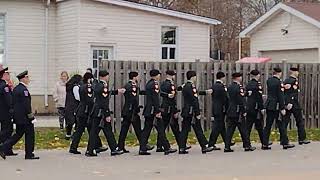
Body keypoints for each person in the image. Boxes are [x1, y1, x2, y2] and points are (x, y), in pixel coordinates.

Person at [0, 70, 39, 160]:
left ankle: (3, 147)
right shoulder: (23, 90)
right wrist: (31, 116)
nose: (28, 79)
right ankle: (29, 154)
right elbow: (26, 105)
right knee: (30, 134)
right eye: (27, 77)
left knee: (18, 134)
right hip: (25, 118)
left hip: (18, 117)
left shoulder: (17, 88)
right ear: (23, 78)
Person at [85, 70, 124, 156]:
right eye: (107, 76)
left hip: (96, 111)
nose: (108, 77)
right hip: (101, 112)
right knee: (96, 132)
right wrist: (107, 114)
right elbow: (104, 101)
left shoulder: (97, 85)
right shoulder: (103, 85)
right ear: (105, 76)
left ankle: (113, 148)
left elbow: (103, 95)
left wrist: (117, 91)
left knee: (106, 131)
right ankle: (91, 150)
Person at [139, 69, 177, 156]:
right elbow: (155, 98)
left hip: (149, 109)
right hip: (153, 109)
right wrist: (157, 110)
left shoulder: (149, 83)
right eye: (159, 75)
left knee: (147, 129)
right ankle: (166, 148)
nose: (160, 76)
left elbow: (158, 94)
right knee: (160, 129)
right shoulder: (155, 84)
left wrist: (167, 95)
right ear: (156, 75)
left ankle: (143, 148)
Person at [179, 71, 214, 154]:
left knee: (185, 129)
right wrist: (197, 112)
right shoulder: (191, 86)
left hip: (186, 110)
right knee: (198, 129)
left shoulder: (185, 86)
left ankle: (182, 147)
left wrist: (204, 92)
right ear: (192, 77)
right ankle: (204, 147)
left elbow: (194, 94)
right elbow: (194, 100)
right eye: (195, 77)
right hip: (192, 111)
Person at [262, 68, 295, 150]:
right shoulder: (279, 82)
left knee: (268, 125)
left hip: (270, 105)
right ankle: (285, 142)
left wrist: (283, 86)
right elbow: (280, 95)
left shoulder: (269, 80)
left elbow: (273, 90)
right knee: (281, 124)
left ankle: (264, 143)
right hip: (276, 106)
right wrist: (282, 107)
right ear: (279, 73)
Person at [224, 72, 256, 153]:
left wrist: (245, 94)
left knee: (230, 130)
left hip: (231, 110)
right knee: (243, 129)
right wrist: (244, 110)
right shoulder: (239, 87)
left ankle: (227, 146)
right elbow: (240, 100)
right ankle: (247, 146)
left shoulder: (230, 87)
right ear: (238, 78)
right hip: (238, 111)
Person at [69, 73, 96, 154]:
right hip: (85, 111)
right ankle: (92, 147)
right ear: (89, 79)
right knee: (90, 130)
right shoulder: (88, 87)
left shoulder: (81, 86)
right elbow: (89, 99)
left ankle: (73, 147)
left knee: (80, 130)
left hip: (81, 110)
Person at [117, 71, 144, 153]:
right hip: (132, 111)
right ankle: (143, 146)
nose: (138, 78)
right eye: (137, 77)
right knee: (138, 130)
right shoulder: (132, 86)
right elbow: (133, 99)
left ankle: (120, 146)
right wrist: (137, 108)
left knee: (124, 130)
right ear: (134, 77)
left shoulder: (126, 85)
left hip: (127, 110)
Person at [283, 67, 310, 145]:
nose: (298, 73)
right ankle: (302, 138)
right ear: (294, 72)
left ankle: (283, 139)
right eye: (297, 72)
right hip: (294, 104)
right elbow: (293, 93)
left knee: (285, 122)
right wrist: (290, 102)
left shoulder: (286, 81)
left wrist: (286, 103)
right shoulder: (294, 81)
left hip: (287, 103)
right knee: (299, 121)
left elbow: (284, 93)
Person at [156, 70, 181, 152]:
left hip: (166, 106)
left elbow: (162, 93)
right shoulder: (170, 84)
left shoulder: (164, 84)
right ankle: (181, 145)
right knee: (173, 127)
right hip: (169, 107)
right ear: (172, 76)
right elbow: (171, 97)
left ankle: (159, 146)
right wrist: (175, 110)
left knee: (163, 127)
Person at [208, 72, 228, 150]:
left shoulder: (214, 86)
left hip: (215, 108)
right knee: (216, 127)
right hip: (220, 108)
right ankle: (211, 143)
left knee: (221, 126)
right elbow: (225, 98)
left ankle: (227, 141)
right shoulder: (221, 86)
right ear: (222, 77)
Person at [0, 67, 17, 156]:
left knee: (5, 130)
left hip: (2, 112)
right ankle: (5, 148)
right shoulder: (5, 87)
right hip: (6, 112)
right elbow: (9, 101)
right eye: (7, 74)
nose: (9, 76)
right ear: (4, 75)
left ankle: (6, 150)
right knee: (7, 130)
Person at [245, 70, 264, 147]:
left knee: (248, 127)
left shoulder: (248, 84)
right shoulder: (257, 84)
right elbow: (258, 97)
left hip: (249, 107)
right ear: (257, 75)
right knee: (259, 126)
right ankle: (264, 142)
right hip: (256, 108)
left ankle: (246, 143)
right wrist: (261, 107)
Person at [64, 74, 82, 140]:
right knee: (77, 121)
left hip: (68, 106)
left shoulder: (69, 87)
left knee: (70, 122)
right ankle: (75, 134)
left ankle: (68, 134)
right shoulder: (75, 87)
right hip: (75, 106)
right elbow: (77, 97)